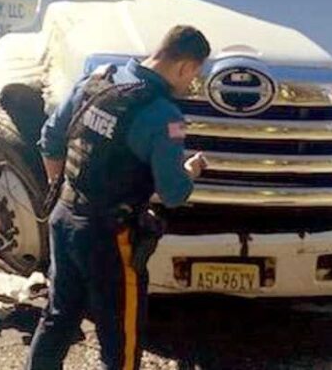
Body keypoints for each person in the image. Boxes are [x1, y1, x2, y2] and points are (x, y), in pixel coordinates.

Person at [24, 25, 212, 370]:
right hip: (111, 238)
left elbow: (50, 138)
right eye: (194, 75)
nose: (191, 85)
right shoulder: (168, 117)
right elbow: (173, 193)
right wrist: (192, 170)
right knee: (120, 337)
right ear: (184, 67)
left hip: (64, 217)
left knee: (58, 316)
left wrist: (68, 189)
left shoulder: (99, 79)